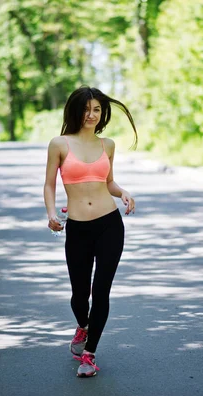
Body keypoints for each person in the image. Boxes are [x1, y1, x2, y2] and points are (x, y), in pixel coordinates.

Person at [43, 86, 138, 378]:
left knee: (102, 291)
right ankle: (82, 327)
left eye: (97, 109)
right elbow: (49, 185)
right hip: (79, 229)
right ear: (75, 111)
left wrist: (123, 192)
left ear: (102, 113)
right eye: (86, 109)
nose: (91, 115)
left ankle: (90, 354)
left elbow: (108, 182)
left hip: (109, 224)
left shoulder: (107, 145)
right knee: (79, 293)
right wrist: (50, 213)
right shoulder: (59, 144)